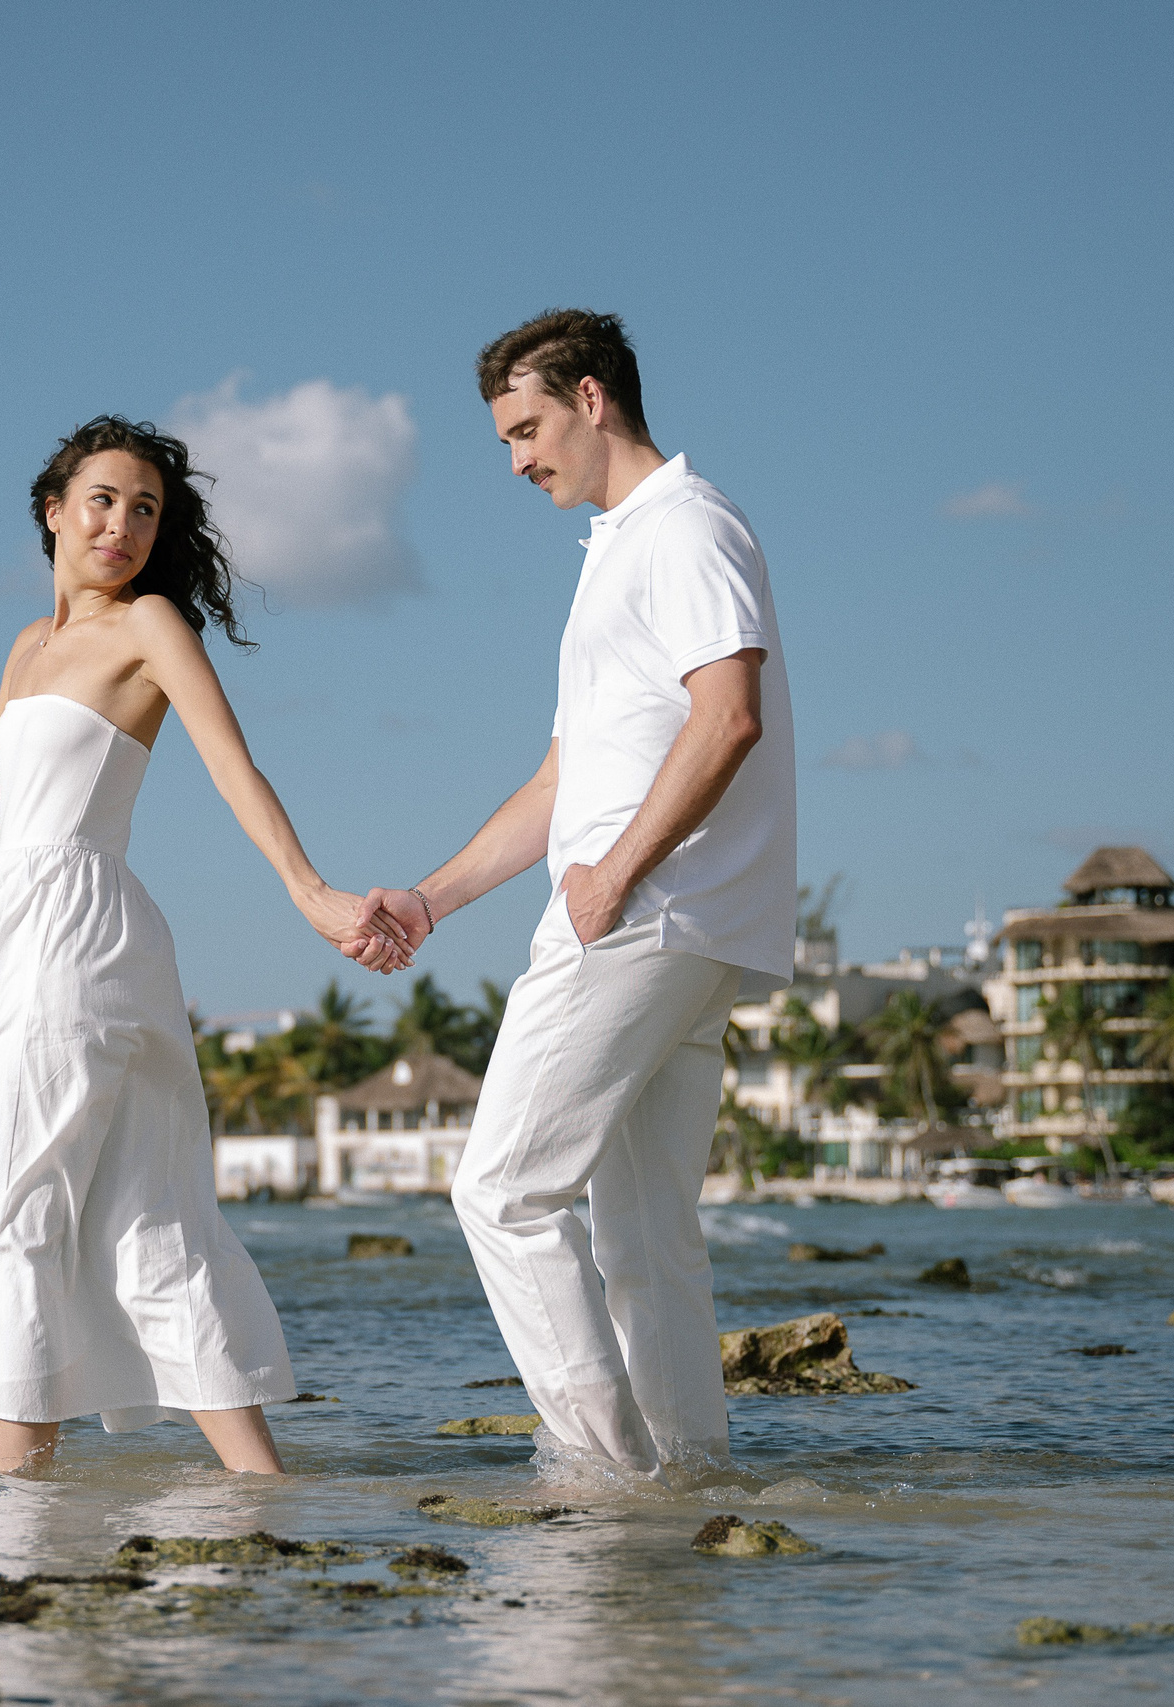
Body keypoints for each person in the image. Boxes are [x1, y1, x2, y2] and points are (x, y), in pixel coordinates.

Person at [0, 415, 404, 1476]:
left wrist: (308, 890)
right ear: (53, 509)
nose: (122, 525)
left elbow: (233, 767)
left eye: (145, 509)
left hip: (79, 940)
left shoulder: (150, 627)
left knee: (22, 1208)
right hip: (63, 944)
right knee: (145, 1219)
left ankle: (17, 1497)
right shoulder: (27, 649)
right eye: (102, 500)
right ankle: (260, 1492)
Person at [350, 310, 796, 1480]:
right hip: (681, 926)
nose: (515, 460)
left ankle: (604, 1474)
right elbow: (562, 781)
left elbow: (728, 718)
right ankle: (691, 1482)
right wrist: (433, 899)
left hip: (645, 917)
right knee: (645, 1236)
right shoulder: (617, 553)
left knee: (499, 1191)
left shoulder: (682, 526)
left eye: (527, 428)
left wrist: (614, 875)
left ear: (591, 398)